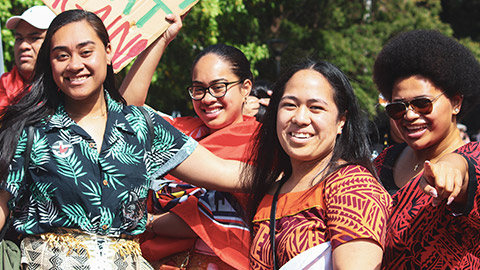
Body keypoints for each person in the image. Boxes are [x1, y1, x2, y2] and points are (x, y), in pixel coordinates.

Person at [0, 9, 243, 269]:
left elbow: (226, 172)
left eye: (85, 52)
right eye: (62, 55)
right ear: (50, 63)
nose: (74, 64)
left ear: (108, 52)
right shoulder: (28, 129)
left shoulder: (141, 125)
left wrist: (290, 169)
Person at [242, 59, 391, 269]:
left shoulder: (352, 185)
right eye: (289, 105)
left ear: (341, 121)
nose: (300, 118)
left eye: (316, 107)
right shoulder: (272, 188)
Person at [122, 44, 257, 269]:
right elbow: (126, 113)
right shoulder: (180, 131)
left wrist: (150, 222)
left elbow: (215, 212)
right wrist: (163, 40)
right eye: (198, 89)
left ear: (245, 88)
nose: (207, 98)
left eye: (218, 87)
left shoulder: (261, 143)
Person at [373, 29, 480, 269]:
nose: (409, 115)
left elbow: (464, 170)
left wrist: (451, 171)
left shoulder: (472, 159)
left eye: (422, 103)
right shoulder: (381, 163)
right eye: (397, 108)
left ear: (455, 102)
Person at [0, 6, 56, 115]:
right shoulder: (4, 85)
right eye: (19, 39)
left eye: (34, 38)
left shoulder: (68, 87)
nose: (23, 46)